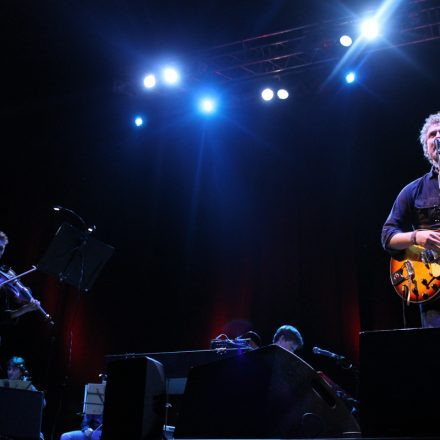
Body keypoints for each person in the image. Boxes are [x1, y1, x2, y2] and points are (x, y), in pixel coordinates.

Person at [382, 111, 440, 327]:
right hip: (433, 288)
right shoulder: (413, 190)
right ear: (427, 147)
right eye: (432, 134)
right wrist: (417, 237)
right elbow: (387, 236)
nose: (438, 138)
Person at [0, 231, 40, 336]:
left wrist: (26, 305)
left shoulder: (6, 271)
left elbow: (5, 315)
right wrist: (24, 309)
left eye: (1, 248)